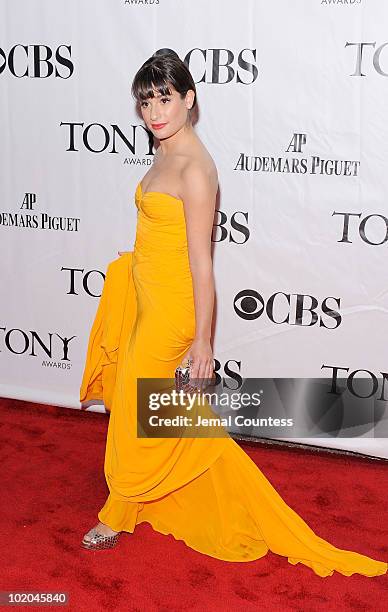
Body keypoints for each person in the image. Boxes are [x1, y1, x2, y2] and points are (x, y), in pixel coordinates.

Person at [79, 49, 387, 578]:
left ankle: (119, 511)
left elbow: (203, 263)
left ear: (189, 99)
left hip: (172, 309)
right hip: (144, 294)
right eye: (146, 100)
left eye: (166, 98)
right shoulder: (164, 151)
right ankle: (152, 493)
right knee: (157, 410)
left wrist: (203, 342)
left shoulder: (197, 169)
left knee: (138, 405)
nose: (155, 111)